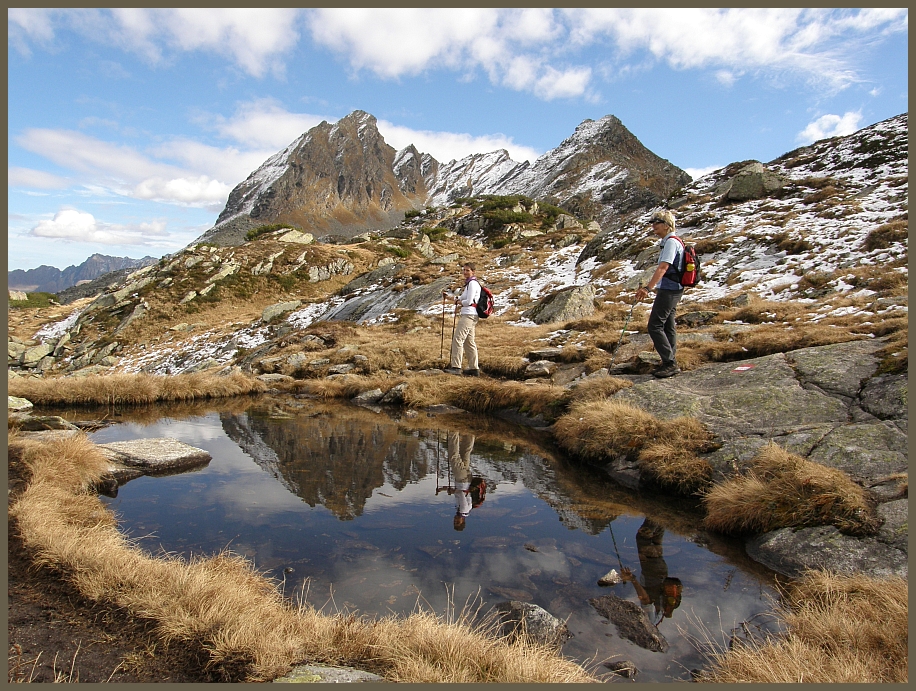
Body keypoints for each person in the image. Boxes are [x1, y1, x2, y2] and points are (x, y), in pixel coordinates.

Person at [634, 210, 684, 378]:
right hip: (673, 288)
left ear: (667, 225)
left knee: (654, 325)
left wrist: (647, 288)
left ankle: (670, 363)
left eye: (657, 222)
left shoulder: (670, 242)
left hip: (670, 289)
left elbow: (663, 267)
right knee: (668, 324)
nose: (653, 226)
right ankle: (670, 360)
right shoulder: (670, 241)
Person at [619, 517, 683, 626]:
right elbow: (645, 599)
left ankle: (661, 517)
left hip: (661, 571)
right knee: (642, 538)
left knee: (655, 542)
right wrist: (632, 579)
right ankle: (654, 514)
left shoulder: (659, 617)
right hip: (652, 572)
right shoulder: (651, 622)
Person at [442, 262, 481, 377]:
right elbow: (462, 298)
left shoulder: (473, 284)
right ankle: (474, 369)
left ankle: (456, 367)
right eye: (464, 270)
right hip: (470, 314)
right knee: (469, 342)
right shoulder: (469, 285)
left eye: (467, 270)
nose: (465, 272)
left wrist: (459, 302)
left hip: (469, 315)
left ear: (473, 271)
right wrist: (449, 297)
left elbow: (468, 302)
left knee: (458, 339)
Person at [442, 430, 482, 531]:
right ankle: (453, 431)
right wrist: (452, 491)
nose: (455, 519)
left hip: (466, 480)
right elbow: (460, 493)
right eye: (457, 522)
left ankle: (470, 432)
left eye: (454, 521)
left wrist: (445, 489)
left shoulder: (465, 510)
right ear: (462, 521)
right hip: (462, 480)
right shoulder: (463, 509)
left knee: (465, 453)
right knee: (454, 458)